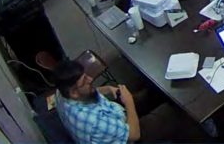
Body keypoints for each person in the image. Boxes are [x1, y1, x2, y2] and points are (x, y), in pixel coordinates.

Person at [53, 60, 203, 143]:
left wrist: (107, 89)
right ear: (73, 92)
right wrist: (129, 102)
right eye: (85, 81)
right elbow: (134, 135)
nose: (91, 79)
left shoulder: (61, 93)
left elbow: (86, 92)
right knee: (172, 112)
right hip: (128, 135)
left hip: (114, 114)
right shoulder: (94, 123)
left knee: (154, 91)